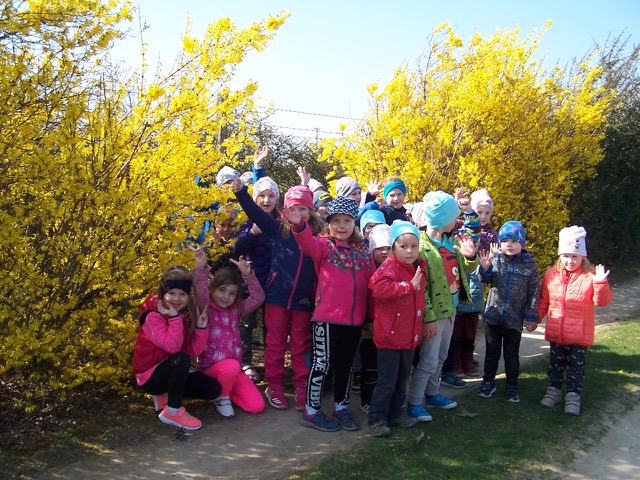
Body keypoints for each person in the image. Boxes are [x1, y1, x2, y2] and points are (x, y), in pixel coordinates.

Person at [285, 196, 376, 432]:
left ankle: (341, 407)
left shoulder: (363, 251)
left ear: (354, 223)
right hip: (326, 320)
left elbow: (371, 287)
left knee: (346, 365)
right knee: (321, 364)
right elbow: (307, 243)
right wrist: (299, 225)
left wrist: (370, 318)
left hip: (354, 321)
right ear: (329, 223)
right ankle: (311, 410)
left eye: (347, 221)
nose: (341, 226)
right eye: (336, 221)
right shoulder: (324, 246)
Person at [231, 179, 323, 411]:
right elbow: (254, 212)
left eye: (303, 209)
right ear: (285, 211)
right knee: (275, 344)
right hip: (277, 299)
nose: (298, 214)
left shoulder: (319, 237)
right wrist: (241, 193)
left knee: (301, 346)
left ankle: (301, 386)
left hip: (303, 301)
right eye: (293, 209)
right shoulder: (277, 229)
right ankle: (274, 386)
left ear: (311, 211)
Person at [406, 191, 478, 422]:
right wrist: (427, 318)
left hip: (451, 310)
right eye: (453, 216)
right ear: (442, 218)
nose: (456, 220)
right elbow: (421, 288)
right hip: (434, 314)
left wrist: (470, 257)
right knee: (428, 360)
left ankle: (432, 393)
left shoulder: (451, 241)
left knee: (441, 357)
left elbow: (466, 269)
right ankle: (415, 402)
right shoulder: (421, 246)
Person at [131, 246, 221, 431]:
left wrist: (201, 329)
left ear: (189, 296)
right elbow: (172, 348)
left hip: (174, 368)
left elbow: (192, 352)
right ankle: (172, 410)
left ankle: (168, 393)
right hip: (151, 376)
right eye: (171, 293)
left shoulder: (186, 313)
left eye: (182, 294)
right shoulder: (152, 315)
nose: (176, 299)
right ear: (162, 293)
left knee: (212, 390)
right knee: (180, 359)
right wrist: (174, 319)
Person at [538, 226, 612, 415]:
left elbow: (602, 302)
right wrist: (534, 319)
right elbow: (544, 300)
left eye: (575, 256)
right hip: (556, 332)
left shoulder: (590, 277)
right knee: (555, 365)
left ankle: (573, 397)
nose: (570, 261)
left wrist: (600, 283)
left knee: (575, 368)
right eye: (566, 255)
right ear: (559, 255)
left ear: (583, 257)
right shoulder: (551, 275)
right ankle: (553, 392)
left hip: (579, 335)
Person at [367, 221, 427, 437]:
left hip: (408, 336)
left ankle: (396, 413)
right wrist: (407, 286)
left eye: (414, 246)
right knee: (387, 381)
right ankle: (377, 418)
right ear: (393, 248)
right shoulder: (389, 267)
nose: (409, 250)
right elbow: (379, 289)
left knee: (402, 378)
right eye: (403, 246)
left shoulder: (417, 268)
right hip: (390, 337)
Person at [195, 250, 266, 418]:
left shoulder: (236, 309)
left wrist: (248, 275)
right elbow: (200, 292)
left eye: (232, 293)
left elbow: (258, 298)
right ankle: (221, 397)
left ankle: (224, 391)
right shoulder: (207, 308)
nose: (226, 297)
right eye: (222, 290)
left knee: (256, 406)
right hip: (212, 369)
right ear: (212, 289)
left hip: (234, 370)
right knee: (232, 366)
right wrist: (200, 267)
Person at [477, 221, 540, 403]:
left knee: (511, 355)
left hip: (514, 319)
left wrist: (531, 316)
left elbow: (534, 292)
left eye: (514, 241)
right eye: (504, 241)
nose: (509, 245)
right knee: (492, 353)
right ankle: (488, 382)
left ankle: (512, 386)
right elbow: (485, 280)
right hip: (493, 317)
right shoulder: (495, 258)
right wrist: (485, 269)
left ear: (522, 243)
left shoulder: (530, 265)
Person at [441, 188, 498, 388]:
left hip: (477, 284)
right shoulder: (460, 229)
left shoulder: (492, 235)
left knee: (470, 328)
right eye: (479, 212)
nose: (483, 216)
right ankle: (456, 361)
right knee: (457, 328)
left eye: (487, 212)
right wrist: (461, 206)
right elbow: (454, 223)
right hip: (462, 280)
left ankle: (467, 359)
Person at [233, 162, 279, 383]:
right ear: (255, 198)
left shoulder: (280, 223)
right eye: (261, 196)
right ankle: (245, 362)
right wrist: (251, 233)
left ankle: (271, 363)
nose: (266, 200)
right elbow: (236, 250)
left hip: (273, 285)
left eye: (271, 196)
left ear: (277, 199)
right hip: (249, 283)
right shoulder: (247, 222)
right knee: (246, 324)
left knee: (272, 326)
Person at [359, 224, 392, 414]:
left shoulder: (397, 270)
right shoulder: (366, 270)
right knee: (370, 367)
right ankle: (367, 400)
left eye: (388, 247)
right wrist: (367, 321)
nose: (384, 252)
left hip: (390, 329)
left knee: (385, 368)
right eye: (380, 248)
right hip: (370, 329)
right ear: (372, 249)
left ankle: (384, 400)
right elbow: (362, 298)